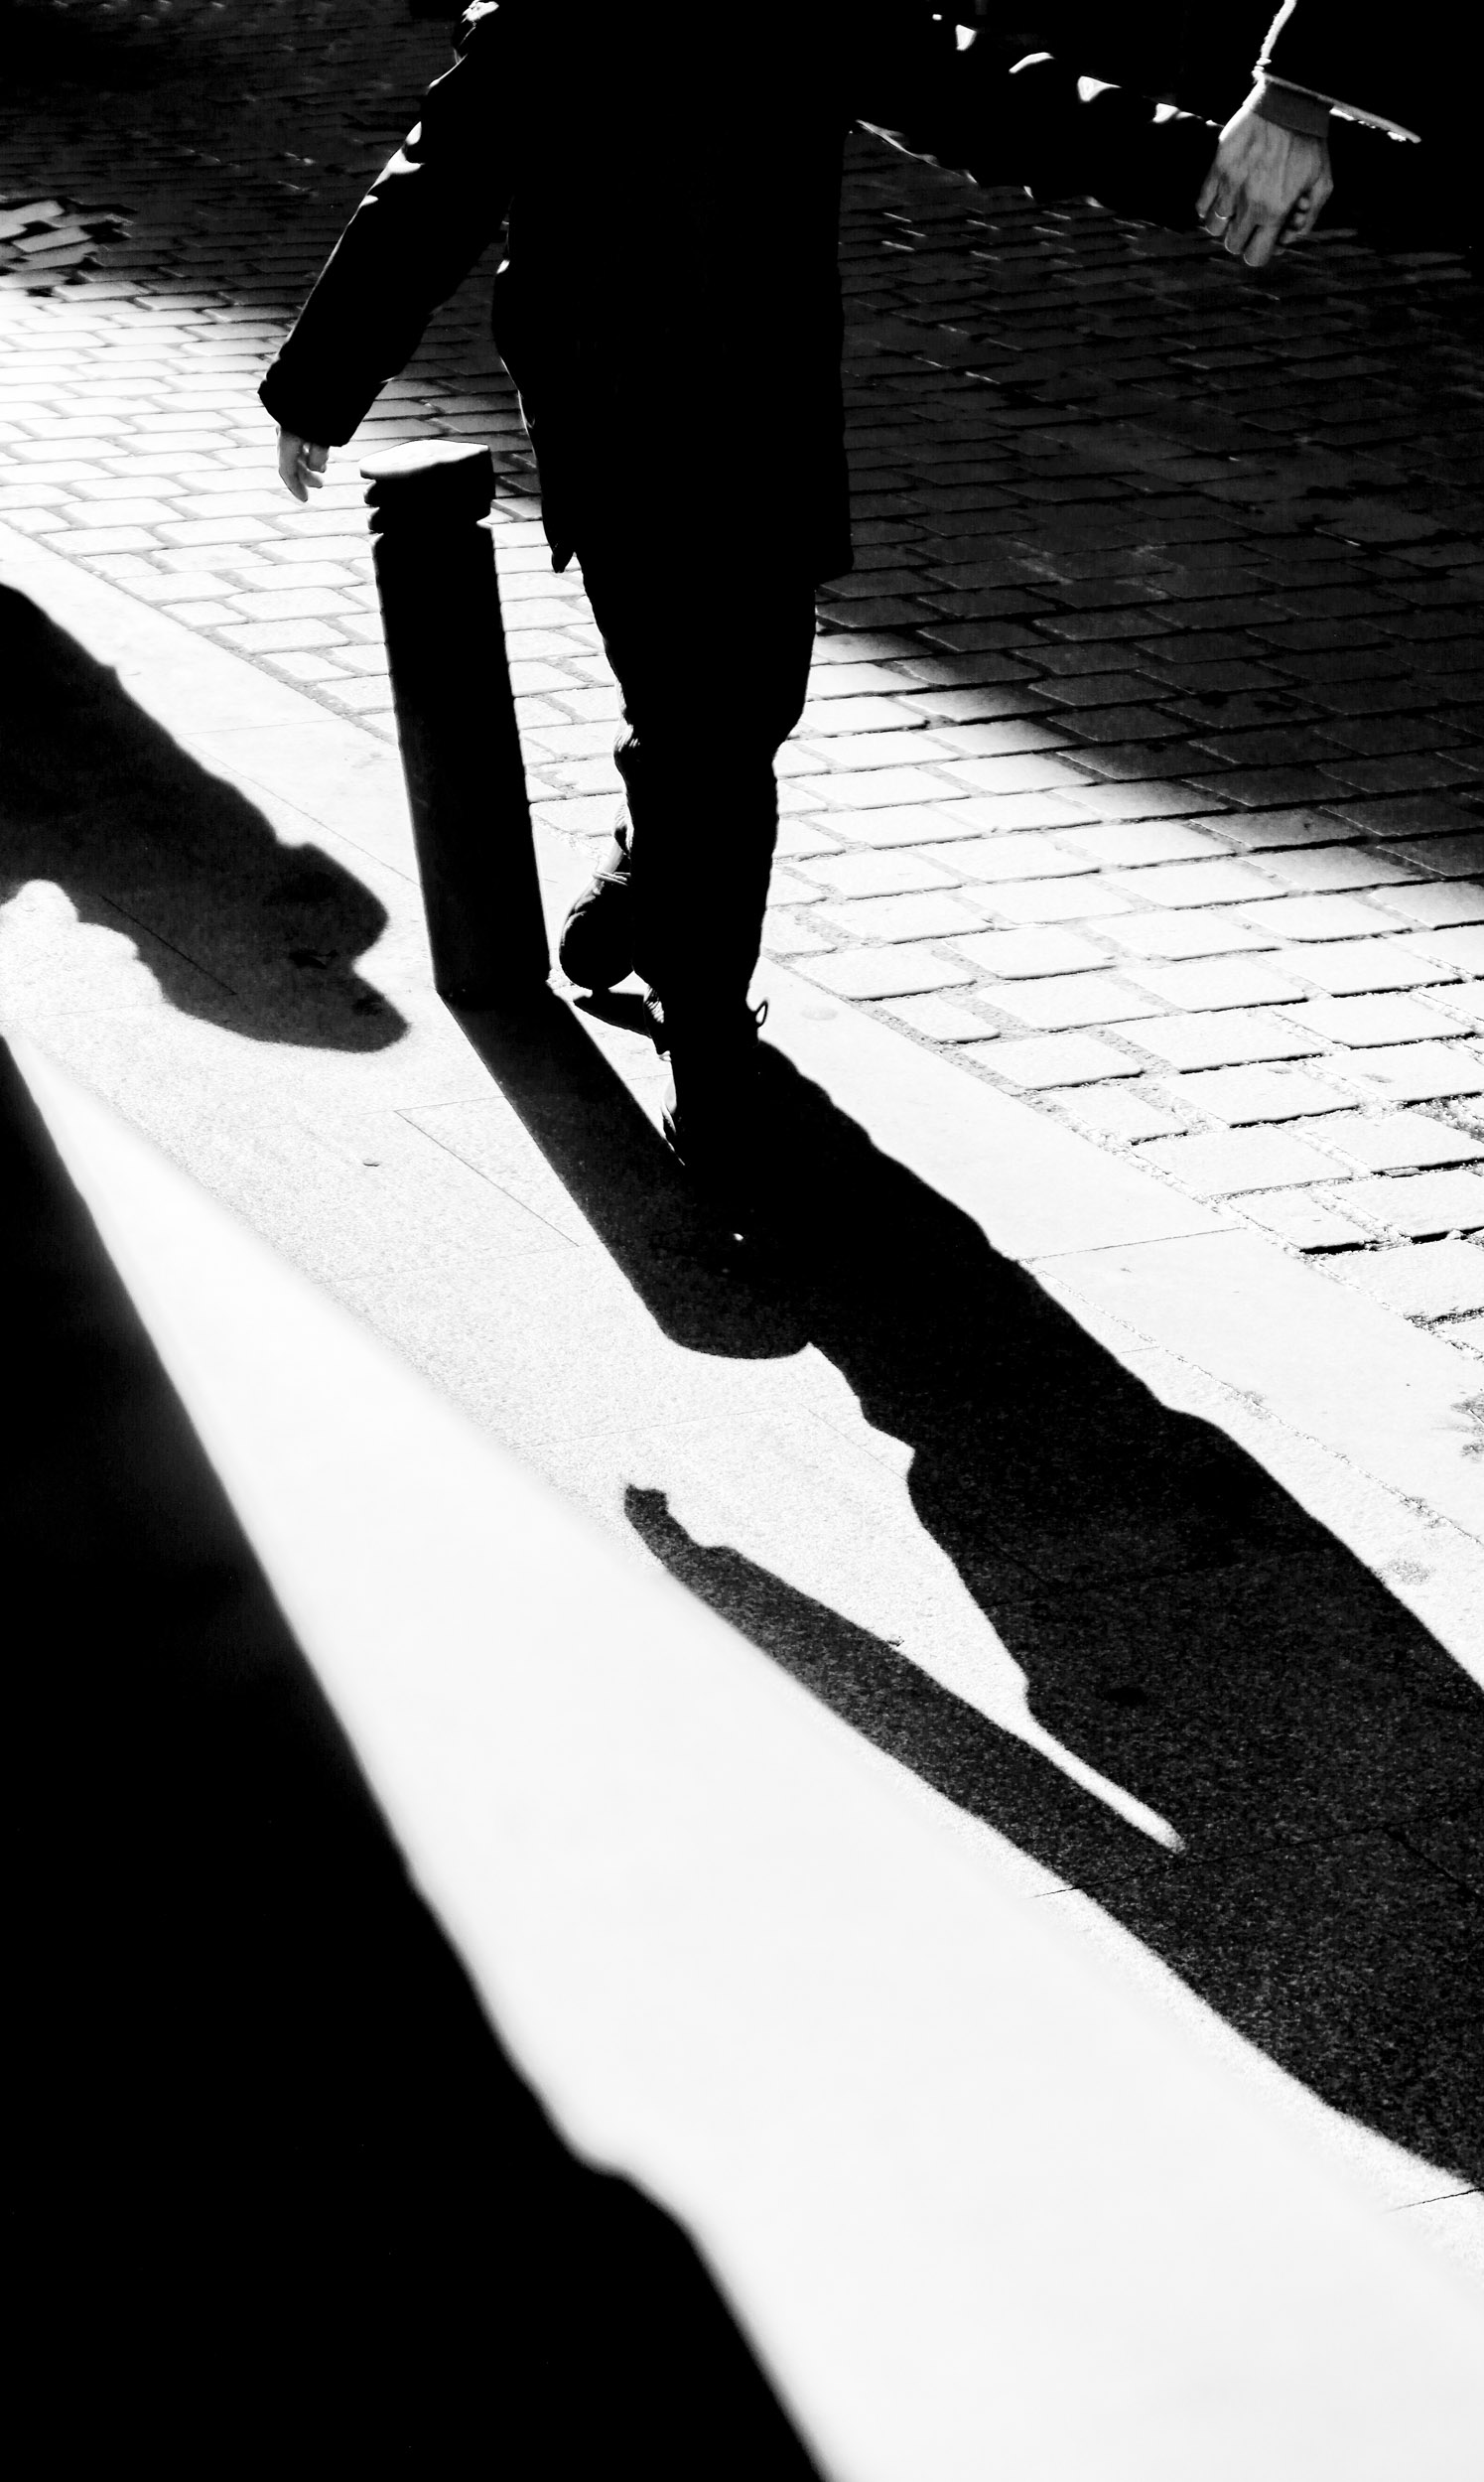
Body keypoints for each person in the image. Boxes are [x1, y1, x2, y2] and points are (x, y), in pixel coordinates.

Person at [261, 0, 1012, 1209]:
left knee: (754, 701)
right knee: (697, 721)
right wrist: (322, 379)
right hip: (613, 407)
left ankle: (649, 872)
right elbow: (440, 181)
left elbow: (976, 92)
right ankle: (706, 1039)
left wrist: (1210, 166)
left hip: (763, 402)